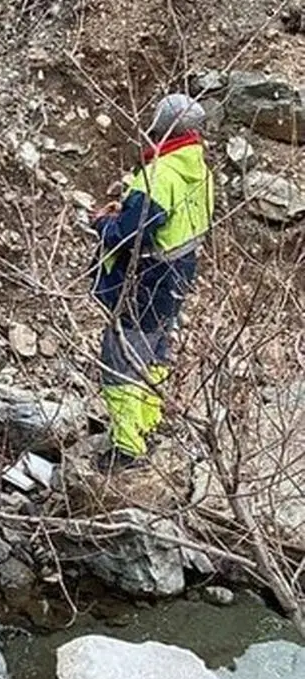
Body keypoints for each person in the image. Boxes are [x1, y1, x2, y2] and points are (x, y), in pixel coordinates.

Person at [91, 94, 215, 472]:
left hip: (145, 281)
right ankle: (146, 424)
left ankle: (126, 448)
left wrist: (102, 223)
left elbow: (131, 235)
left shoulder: (159, 174)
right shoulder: (199, 172)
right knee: (156, 353)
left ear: (162, 130)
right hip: (178, 277)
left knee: (120, 360)